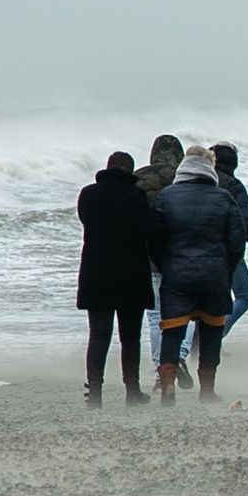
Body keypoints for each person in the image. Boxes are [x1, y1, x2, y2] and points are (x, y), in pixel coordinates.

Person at [151, 146, 246, 403]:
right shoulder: (224, 198)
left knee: (172, 331)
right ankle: (207, 390)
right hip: (214, 275)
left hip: (177, 275)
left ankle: (168, 385)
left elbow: (155, 239)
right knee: (211, 332)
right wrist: (225, 267)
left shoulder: (167, 196)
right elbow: (238, 240)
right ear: (209, 167)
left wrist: (166, 265)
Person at [76, 150, 158, 407]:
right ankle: (132, 391)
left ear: (108, 167)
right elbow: (148, 231)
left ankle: (95, 394)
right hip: (130, 275)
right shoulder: (135, 195)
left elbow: (85, 222)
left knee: (99, 335)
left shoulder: (88, 195)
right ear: (130, 171)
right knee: (130, 337)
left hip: (96, 273)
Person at [135, 134, 193, 384]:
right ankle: (179, 354)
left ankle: (162, 369)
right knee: (189, 311)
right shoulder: (188, 180)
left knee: (155, 315)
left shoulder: (139, 179)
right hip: (182, 256)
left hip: (148, 258)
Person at [209, 142, 248, 337]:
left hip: (197, 250)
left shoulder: (195, 181)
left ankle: (194, 342)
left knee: (202, 301)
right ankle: (214, 336)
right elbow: (245, 221)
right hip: (229, 249)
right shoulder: (233, 185)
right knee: (244, 296)